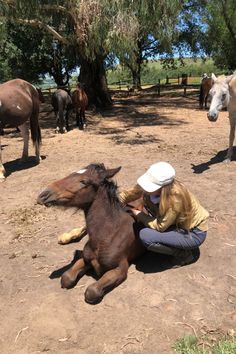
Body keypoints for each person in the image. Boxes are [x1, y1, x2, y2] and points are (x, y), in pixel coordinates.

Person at [119, 161, 209, 266]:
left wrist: (139, 214)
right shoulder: (156, 188)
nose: (145, 189)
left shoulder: (175, 198)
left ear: (163, 187)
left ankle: (184, 254)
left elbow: (160, 226)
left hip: (192, 232)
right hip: (175, 224)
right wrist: (115, 201)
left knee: (146, 236)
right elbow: (130, 194)